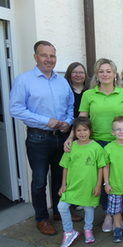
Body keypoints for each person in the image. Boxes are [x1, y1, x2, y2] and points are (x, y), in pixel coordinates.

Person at [64, 58, 123, 233]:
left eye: (108, 71)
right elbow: (81, 120)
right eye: (101, 71)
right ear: (97, 75)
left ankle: (120, 216)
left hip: (119, 142)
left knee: (118, 179)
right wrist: (70, 137)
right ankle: (108, 214)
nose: (105, 74)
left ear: (114, 74)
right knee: (104, 182)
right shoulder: (89, 94)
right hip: (96, 143)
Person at [9, 40, 74, 235]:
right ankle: (41, 217)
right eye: (44, 55)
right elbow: (16, 109)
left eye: (52, 56)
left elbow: (70, 105)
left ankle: (58, 212)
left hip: (60, 137)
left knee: (59, 178)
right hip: (38, 138)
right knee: (39, 180)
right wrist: (47, 121)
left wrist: (68, 121)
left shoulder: (62, 82)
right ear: (35, 57)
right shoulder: (24, 80)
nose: (49, 59)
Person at [57, 117, 106, 247]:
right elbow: (65, 167)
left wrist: (98, 185)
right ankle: (69, 231)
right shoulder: (71, 147)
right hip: (72, 185)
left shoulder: (96, 148)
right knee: (62, 206)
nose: (82, 133)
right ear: (74, 132)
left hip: (89, 185)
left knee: (88, 208)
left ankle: (88, 229)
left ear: (90, 131)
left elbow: (101, 167)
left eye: (85, 130)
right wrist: (63, 184)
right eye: (78, 130)